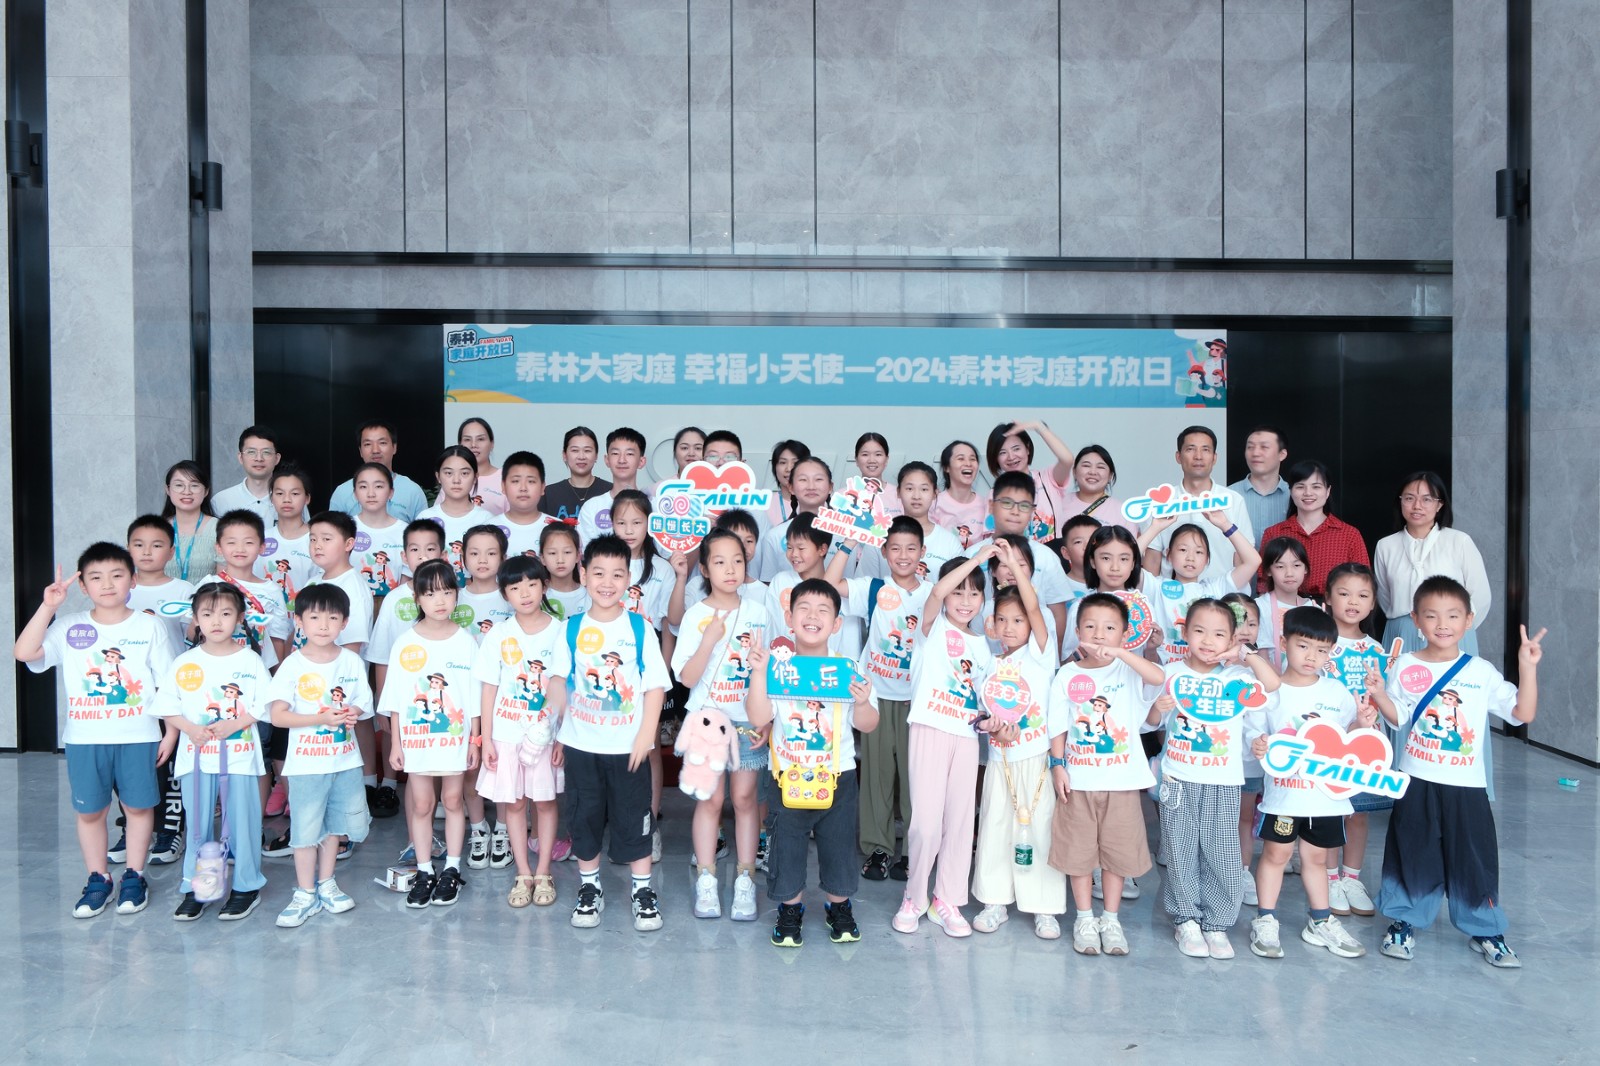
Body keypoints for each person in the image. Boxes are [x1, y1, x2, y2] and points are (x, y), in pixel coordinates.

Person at [1367, 577, 1543, 968]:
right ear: (1416, 620)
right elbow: (1399, 718)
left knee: (1473, 858)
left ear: (1468, 620)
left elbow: (1523, 713)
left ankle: (1485, 928)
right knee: (1412, 851)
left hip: (1466, 785)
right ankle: (1404, 921)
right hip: (1416, 780)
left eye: (1452, 615)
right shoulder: (1407, 665)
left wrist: (1527, 668)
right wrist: (1379, 695)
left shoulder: (1480, 671)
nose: (1442, 624)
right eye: (1431, 615)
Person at [16, 546, 177, 917]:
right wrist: (48, 607)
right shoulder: (70, 626)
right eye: (96, 577)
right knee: (90, 812)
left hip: (139, 737)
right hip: (85, 739)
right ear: (83, 586)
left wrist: (170, 733)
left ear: (132, 581)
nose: (107, 584)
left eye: (117, 575)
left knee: (138, 807)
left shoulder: (149, 626)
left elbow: (168, 684)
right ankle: (98, 878)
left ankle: (134, 876)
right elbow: (24, 652)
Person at [745, 579, 879, 947]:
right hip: (787, 776)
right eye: (803, 608)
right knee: (786, 846)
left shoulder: (847, 668)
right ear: (789, 619)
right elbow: (758, 716)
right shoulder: (777, 667)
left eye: (823, 611)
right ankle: (790, 910)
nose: (813, 616)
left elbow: (868, 724)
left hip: (837, 777)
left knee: (839, 845)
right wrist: (758, 672)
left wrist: (863, 702)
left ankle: (840, 907)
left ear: (837, 624)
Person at [1244, 606, 1373, 960]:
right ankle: (1265, 919)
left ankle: (1320, 921)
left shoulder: (1337, 692)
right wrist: (1257, 743)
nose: (1311, 657)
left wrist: (1361, 725)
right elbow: (1254, 732)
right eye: (1303, 646)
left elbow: (1347, 738)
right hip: (1284, 798)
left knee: (1317, 859)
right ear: (1283, 642)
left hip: (1325, 799)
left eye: (1322, 650)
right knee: (1276, 855)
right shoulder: (1271, 691)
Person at [1156, 598, 1279, 959]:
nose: (1208, 641)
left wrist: (1245, 655)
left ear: (1232, 639)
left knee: (1222, 852)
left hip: (1223, 781)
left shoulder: (1237, 678)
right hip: (1179, 778)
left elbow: (1272, 687)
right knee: (1180, 851)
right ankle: (1186, 920)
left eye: (1219, 634)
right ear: (1185, 633)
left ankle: (1217, 923)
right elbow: (1150, 722)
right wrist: (1156, 709)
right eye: (1199, 631)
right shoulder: (1171, 673)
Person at [892, 551, 1005, 938]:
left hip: (966, 737)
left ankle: (947, 899)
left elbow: (984, 699)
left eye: (974, 593)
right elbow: (937, 593)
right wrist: (980, 556)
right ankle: (914, 896)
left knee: (959, 823)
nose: (965, 600)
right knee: (925, 825)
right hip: (929, 729)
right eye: (959, 591)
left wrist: (991, 720)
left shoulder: (984, 647)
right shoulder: (932, 627)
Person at [561, 534, 670, 931]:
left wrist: (645, 736)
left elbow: (654, 687)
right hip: (581, 746)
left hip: (628, 748)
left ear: (629, 579)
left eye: (617, 574)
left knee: (634, 817)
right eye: (599, 573)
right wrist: (554, 731)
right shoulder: (570, 628)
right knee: (584, 817)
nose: (607, 582)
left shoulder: (639, 628)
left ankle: (642, 891)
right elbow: (559, 682)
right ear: (583, 575)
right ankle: (590, 888)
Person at [1047, 593, 1166, 956]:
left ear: (1125, 634)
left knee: (1117, 853)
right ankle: (1085, 918)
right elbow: (1058, 725)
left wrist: (1123, 653)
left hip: (1122, 782)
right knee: (1079, 852)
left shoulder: (1129, 670)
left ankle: (1110, 919)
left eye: (1110, 628)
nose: (1099, 634)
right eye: (1090, 626)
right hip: (1079, 782)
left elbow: (1158, 676)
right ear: (1077, 630)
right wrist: (1057, 765)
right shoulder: (1067, 674)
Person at [970, 540, 1069, 940]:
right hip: (1001, 759)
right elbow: (980, 714)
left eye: (1019, 620)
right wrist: (990, 727)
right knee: (995, 826)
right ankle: (994, 901)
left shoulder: (1042, 655)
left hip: (1037, 759)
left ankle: (1044, 907)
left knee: (1040, 829)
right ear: (991, 625)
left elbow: (1034, 606)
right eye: (1002, 620)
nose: (1010, 627)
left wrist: (1013, 563)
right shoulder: (988, 663)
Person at [154, 582, 270, 921]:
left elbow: (266, 705)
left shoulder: (250, 660)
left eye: (225, 613)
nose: (216, 621)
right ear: (195, 619)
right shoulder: (185, 662)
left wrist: (235, 724)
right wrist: (190, 729)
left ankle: (246, 886)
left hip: (240, 757)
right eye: (207, 614)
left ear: (240, 618)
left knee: (243, 823)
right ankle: (198, 887)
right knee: (198, 825)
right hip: (195, 759)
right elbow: (167, 705)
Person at [672, 528, 771, 921]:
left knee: (746, 799)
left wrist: (767, 719)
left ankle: (745, 880)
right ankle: (707, 878)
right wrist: (709, 640)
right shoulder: (696, 616)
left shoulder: (759, 613)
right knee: (710, 801)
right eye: (719, 562)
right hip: (707, 722)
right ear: (704, 568)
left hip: (747, 719)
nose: (730, 569)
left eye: (737, 561)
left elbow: (769, 672)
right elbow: (686, 678)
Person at [824, 516, 928, 883]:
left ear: (923, 552)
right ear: (883, 552)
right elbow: (829, 585)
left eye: (911, 548)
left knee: (916, 781)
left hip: (918, 702)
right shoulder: (874, 588)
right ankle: (878, 848)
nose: (903, 555)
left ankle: (915, 850)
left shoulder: (932, 593)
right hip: (877, 697)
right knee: (878, 778)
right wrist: (849, 543)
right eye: (895, 548)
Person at [265, 583, 374, 927]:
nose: (324, 625)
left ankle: (327, 884)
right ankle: (305, 892)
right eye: (314, 617)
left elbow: (363, 702)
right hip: (306, 765)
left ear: (345, 622)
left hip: (345, 761)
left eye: (332, 617)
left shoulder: (351, 661)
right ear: (299, 622)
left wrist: (352, 711)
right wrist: (320, 719)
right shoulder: (292, 665)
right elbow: (277, 716)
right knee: (305, 830)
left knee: (335, 827)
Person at [379, 558, 482, 909]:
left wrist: (475, 740)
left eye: (447, 592)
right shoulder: (405, 643)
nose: (440, 600)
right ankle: (424, 871)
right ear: (417, 598)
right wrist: (396, 743)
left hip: (455, 739)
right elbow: (396, 699)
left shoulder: (466, 642)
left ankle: (452, 869)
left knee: (453, 801)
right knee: (422, 804)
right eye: (431, 593)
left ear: (457, 595)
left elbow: (474, 698)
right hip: (417, 741)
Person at [474, 555, 570, 909]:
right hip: (506, 735)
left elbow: (564, 686)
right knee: (513, 804)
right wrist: (485, 739)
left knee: (545, 802)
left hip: (545, 736)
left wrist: (560, 738)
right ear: (505, 594)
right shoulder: (498, 634)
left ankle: (543, 871)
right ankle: (523, 873)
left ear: (545, 586)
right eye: (515, 588)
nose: (525, 593)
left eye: (532, 584)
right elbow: (488, 689)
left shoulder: (560, 631)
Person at [365, 518, 447, 817]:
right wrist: (382, 702)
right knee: (396, 734)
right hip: (403, 694)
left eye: (430, 549)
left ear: (444, 554)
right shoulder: (394, 599)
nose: (423, 556)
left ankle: (442, 799)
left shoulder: (451, 595)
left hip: (440, 692)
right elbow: (382, 655)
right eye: (415, 549)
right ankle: (390, 785)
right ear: (403, 556)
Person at [1320, 561, 1389, 917]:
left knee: (1358, 814)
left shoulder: (1377, 650)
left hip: (1365, 742)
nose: (1353, 602)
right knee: (1332, 813)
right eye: (1344, 593)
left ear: (1373, 602)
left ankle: (1351, 878)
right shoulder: (1319, 643)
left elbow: (1385, 699)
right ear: (1328, 598)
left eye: (1362, 595)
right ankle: (1330, 879)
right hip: (1328, 741)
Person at [1373, 471, 1492, 655]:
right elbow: (1385, 596)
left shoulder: (1459, 541)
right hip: (1403, 633)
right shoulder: (1386, 546)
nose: (1417, 506)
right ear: (1400, 501)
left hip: (1451, 635)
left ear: (1440, 504)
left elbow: (1480, 595)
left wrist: (1456, 626)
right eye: (1409, 498)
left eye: (1427, 499)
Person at [1141, 512, 1261, 665]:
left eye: (1198, 552)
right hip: (1165, 670)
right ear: (1168, 555)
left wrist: (1225, 524)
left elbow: (1253, 561)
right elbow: (1127, 559)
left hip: (1208, 671)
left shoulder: (1215, 588)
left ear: (1207, 559)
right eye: (1183, 550)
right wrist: (1154, 528)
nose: (1190, 558)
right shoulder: (1156, 586)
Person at [1142, 426, 1255, 586]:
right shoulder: (1162, 501)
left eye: (1205, 450)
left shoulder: (1233, 500)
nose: (1198, 456)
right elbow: (1152, 559)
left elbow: (1242, 558)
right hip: (1173, 596)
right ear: (1178, 456)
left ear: (1214, 458)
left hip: (1221, 595)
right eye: (1190, 449)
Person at [973, 471, 1073, 638]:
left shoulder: (1046, 557)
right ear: (991, 505)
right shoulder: (973, 555)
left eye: (1024, 505)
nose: (1015, 511)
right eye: (1007, 503)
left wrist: (1056, 652)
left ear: (1033, 511)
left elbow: (1057, 612)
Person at [1257, 460, 1370, 600]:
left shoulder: (1349, 534)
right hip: (1285, 607)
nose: (1308, 493)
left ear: (1328, 491)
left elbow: (1363, 581)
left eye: (1316, 487)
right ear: (1291, 491)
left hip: (1333, 608)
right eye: (1300, 487)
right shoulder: (1274, 533)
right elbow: (1263, 581)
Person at [197, 510, 292, 670]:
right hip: (213, 668)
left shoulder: (273, 591)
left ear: (262, 547)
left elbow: (277, 639)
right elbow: (192, 631)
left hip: (256, 671)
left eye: (248, 542)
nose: (240, 549)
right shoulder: (208, 584)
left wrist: (275, 677)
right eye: (231, 542)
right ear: (219, 547)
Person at [984, 420, 1075, 541]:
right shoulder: (995, 493)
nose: (1011, 457)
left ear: (1027, 449)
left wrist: (1039, 427)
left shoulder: (1047, 478)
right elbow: (993, 538)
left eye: (1016, 449)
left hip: (1054, 551)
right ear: (996, 459)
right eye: (1002, 452)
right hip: (1016, 552)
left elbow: (1067, 460)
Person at [417, 445, 495, 585]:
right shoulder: (425, 518)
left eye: (464, 473)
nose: (456, 480)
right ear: (438, 476)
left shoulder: (487, 520)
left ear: (475, 477)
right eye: (448, 473)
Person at [754, 455, 838, 582]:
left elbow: (851, 581)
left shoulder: (846, 534)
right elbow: (768, 582)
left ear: (830, 487)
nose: (811, 486)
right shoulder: (775, 535)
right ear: (791, 488)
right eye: (803, 479)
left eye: (818, 479)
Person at [327, 420, 429, 523]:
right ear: (360, 451)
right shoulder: (342, 492)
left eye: (382, 443)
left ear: (394, 447)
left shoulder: (412, 491)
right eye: (368, 444)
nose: (375, 450)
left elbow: (424, 531)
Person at [260, 464, 319, 612]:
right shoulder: (260, 539)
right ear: (271, 498)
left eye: (295, 493)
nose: (286, 499)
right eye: (280, 493)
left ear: (307, 498)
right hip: (264, 621)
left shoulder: (318, 539)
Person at [576, 428, 648, 548]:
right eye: (615, 453)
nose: (622, 460)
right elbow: (585, 553)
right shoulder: (592, 507)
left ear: (641, 461)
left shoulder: (652, 505)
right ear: (607, 460)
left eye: (629, 454)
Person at [1227, 425, 1290, 555]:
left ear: (1282, 454)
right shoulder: (1228, 495)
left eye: (1264, 447)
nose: (1255, 453)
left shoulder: (1295, 496)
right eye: (1250, 447)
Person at [211, 426, 293, 524]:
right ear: (241, 458)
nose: (259, 458)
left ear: (277, 458)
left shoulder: (292, 499)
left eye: (266, 452)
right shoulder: (221, 500)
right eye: (251, 452)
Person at [1253, 537, 1313, 667]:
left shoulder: (1314, 609)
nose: (1289, 573)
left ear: (1305, 569)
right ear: (1268, 570)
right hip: (1269, 677)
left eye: (1296, 565)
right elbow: (1262, 656)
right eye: (1280, 566)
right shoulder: (1259, 607)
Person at [349, 462, 405, 600]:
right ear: (355, 493)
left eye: (378, 486)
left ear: (391, 492)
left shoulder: (405, 531)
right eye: (363, 487)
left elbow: (408, 578)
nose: (371, 494)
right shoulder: (344, 529)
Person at [161, 460, 219, 582]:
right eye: (179, 485)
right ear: (168, 489)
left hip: (208, 594)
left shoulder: (219, 529)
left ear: (206, 491)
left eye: (194, 485)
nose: (187, 492)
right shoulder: (157, 529)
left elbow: (224, 578)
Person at [543, 426, 612, 527]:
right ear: (564, 455)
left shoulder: (611, 492)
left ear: (596, 455)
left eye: (587, 450)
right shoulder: (548, 494)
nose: (581, 457)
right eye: (575, 450)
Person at [1059, 444, 1135, 533]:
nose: (1093, 472)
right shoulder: (1058, 503)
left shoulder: (1123, 512)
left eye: (1100, 467)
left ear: (1110, 476)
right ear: (1074, 472)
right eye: (1086, 465)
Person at [500, 450, 559, 559]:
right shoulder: (488, 530)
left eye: (531, 481)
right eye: (515, 481)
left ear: (542, 487)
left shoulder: (560, 529)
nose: (523, 488)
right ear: (503, 486)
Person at [930, 440, 987, 546]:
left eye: (972, 459)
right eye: (961, 458)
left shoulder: (986, 505)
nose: (968, 464)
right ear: (946, 467)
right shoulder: (934, 503)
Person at [538, 523, 589, 622]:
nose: (560, 560)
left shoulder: (589, 594)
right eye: (552, 553)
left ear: (578, 556)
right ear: (542, 558)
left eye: (567, 552)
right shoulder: (536, 595)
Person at [457, 417, 505, 514]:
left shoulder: (506, 479)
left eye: (480, 439)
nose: (473, 445)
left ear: (492, 444)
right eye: (467, 439)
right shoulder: (453, 479)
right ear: (459, 444)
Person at [852, 432, 901, 517]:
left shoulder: (899, 495)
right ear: (856, 460)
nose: (872, 460)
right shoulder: (844, 494)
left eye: (878, 454)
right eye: (865, 454)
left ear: (886, 459)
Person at [765, 439, 809, 528]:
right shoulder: (765, 504)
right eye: (783, 462)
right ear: (775, 467)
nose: (789, 469)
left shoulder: (818, 503)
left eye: (795, 462)